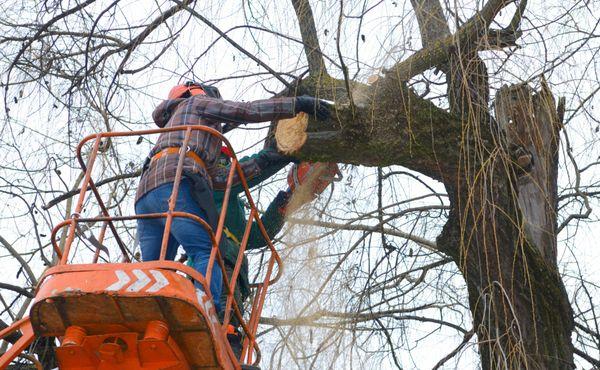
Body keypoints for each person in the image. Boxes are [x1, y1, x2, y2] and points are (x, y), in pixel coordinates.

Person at [134, 81, 330, 314]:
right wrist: (296, 105)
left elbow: (256, 233)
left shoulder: (178, 136)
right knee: (206, 251)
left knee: (156, 270)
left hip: (147, 195)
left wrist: (290, 196)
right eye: (221, 157)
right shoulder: (196, 105)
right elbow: (245, 112)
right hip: (175, 184)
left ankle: (149, 312)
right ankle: (204, 310)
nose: (223, 161)